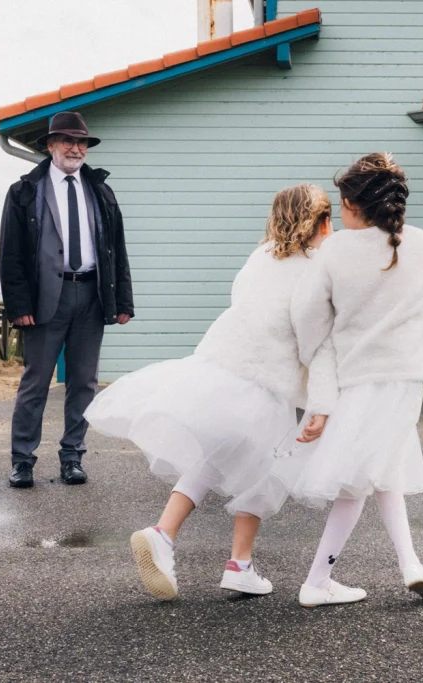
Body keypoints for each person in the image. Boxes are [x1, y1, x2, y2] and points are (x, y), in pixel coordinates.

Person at [84, 184, 338, 600]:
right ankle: (218, 555)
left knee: (220, 456)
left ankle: (192, 545)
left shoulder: (261, 256)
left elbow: (240, 300)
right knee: (265, 468)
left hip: (223, 362)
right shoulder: (312, 269)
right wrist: (321, 397)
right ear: (321, 222)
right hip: (266, 378)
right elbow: (312, 337)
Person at [283, 153, 423, 607]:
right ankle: (359, 573)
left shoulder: (334, 250)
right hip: (405, 378)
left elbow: (307, 318)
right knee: (372, 472)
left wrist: (318, 373)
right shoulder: (421, 243)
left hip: (356, 378)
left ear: (351, 204)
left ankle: (384, 568)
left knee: (370, 473)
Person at [0, 112, 134, 488]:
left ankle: (72, 456)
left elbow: (116, 250)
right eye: (68, 141)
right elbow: (10, 254)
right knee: (35, 381)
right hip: (45, 299)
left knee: (84, 383)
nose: (76, 148)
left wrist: (123, 299)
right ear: (51, 145)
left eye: (82, 142)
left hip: (91, 294)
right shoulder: (25, 190)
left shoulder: (100, 190)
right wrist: (19, 306)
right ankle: (22, 460)